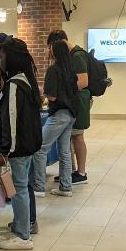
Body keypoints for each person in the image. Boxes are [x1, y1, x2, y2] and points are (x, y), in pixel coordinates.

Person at [0, 39, 43, 250]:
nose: (1, 60)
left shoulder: (14, 85)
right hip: (26, 144)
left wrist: (5, 150)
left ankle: (23, 236)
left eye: (3, 56)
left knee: (20, 188)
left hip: (19, 147)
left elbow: (13, 120)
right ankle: (22, 226)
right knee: (23, 186)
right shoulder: (25, 81)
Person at [32, 39, 78, 198]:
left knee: (39, 148)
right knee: (64, 151)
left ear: (54, 52)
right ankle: (66, 187)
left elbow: (51, 97)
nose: (46, 51)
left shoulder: (53, 70)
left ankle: (38, 187)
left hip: (58, 114)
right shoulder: (70, 69)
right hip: (71, 114)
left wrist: (41, 92)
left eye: (48, 48)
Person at [47, 29, 91, 185]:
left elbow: (83, 82)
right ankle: (69, 172)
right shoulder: (70, 57)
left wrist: (62, 90)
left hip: (76, 101)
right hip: (71, 100)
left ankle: (81, 173)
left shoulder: (77, 56)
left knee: (78, 136)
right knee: (70, 138)